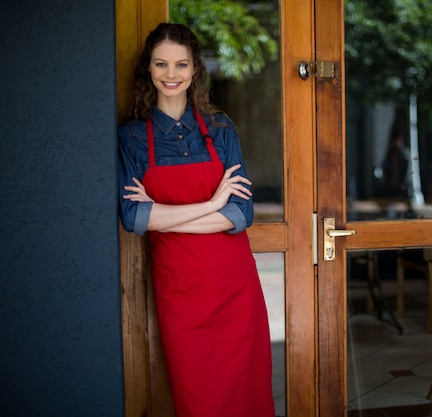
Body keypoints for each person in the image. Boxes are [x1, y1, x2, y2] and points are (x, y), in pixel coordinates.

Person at [117, 23, 275, 417]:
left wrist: (163, 216)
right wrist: (211, 204)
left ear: (195, 70)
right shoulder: (132, 137)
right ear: (148, 69)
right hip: (180, 292)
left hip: (235, 287)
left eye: (181, 64)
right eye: (161, 64)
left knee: (247, 393)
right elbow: (134, 218)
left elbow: (240, 214)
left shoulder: (221, 131)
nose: (171, 74)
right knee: (197, 398)